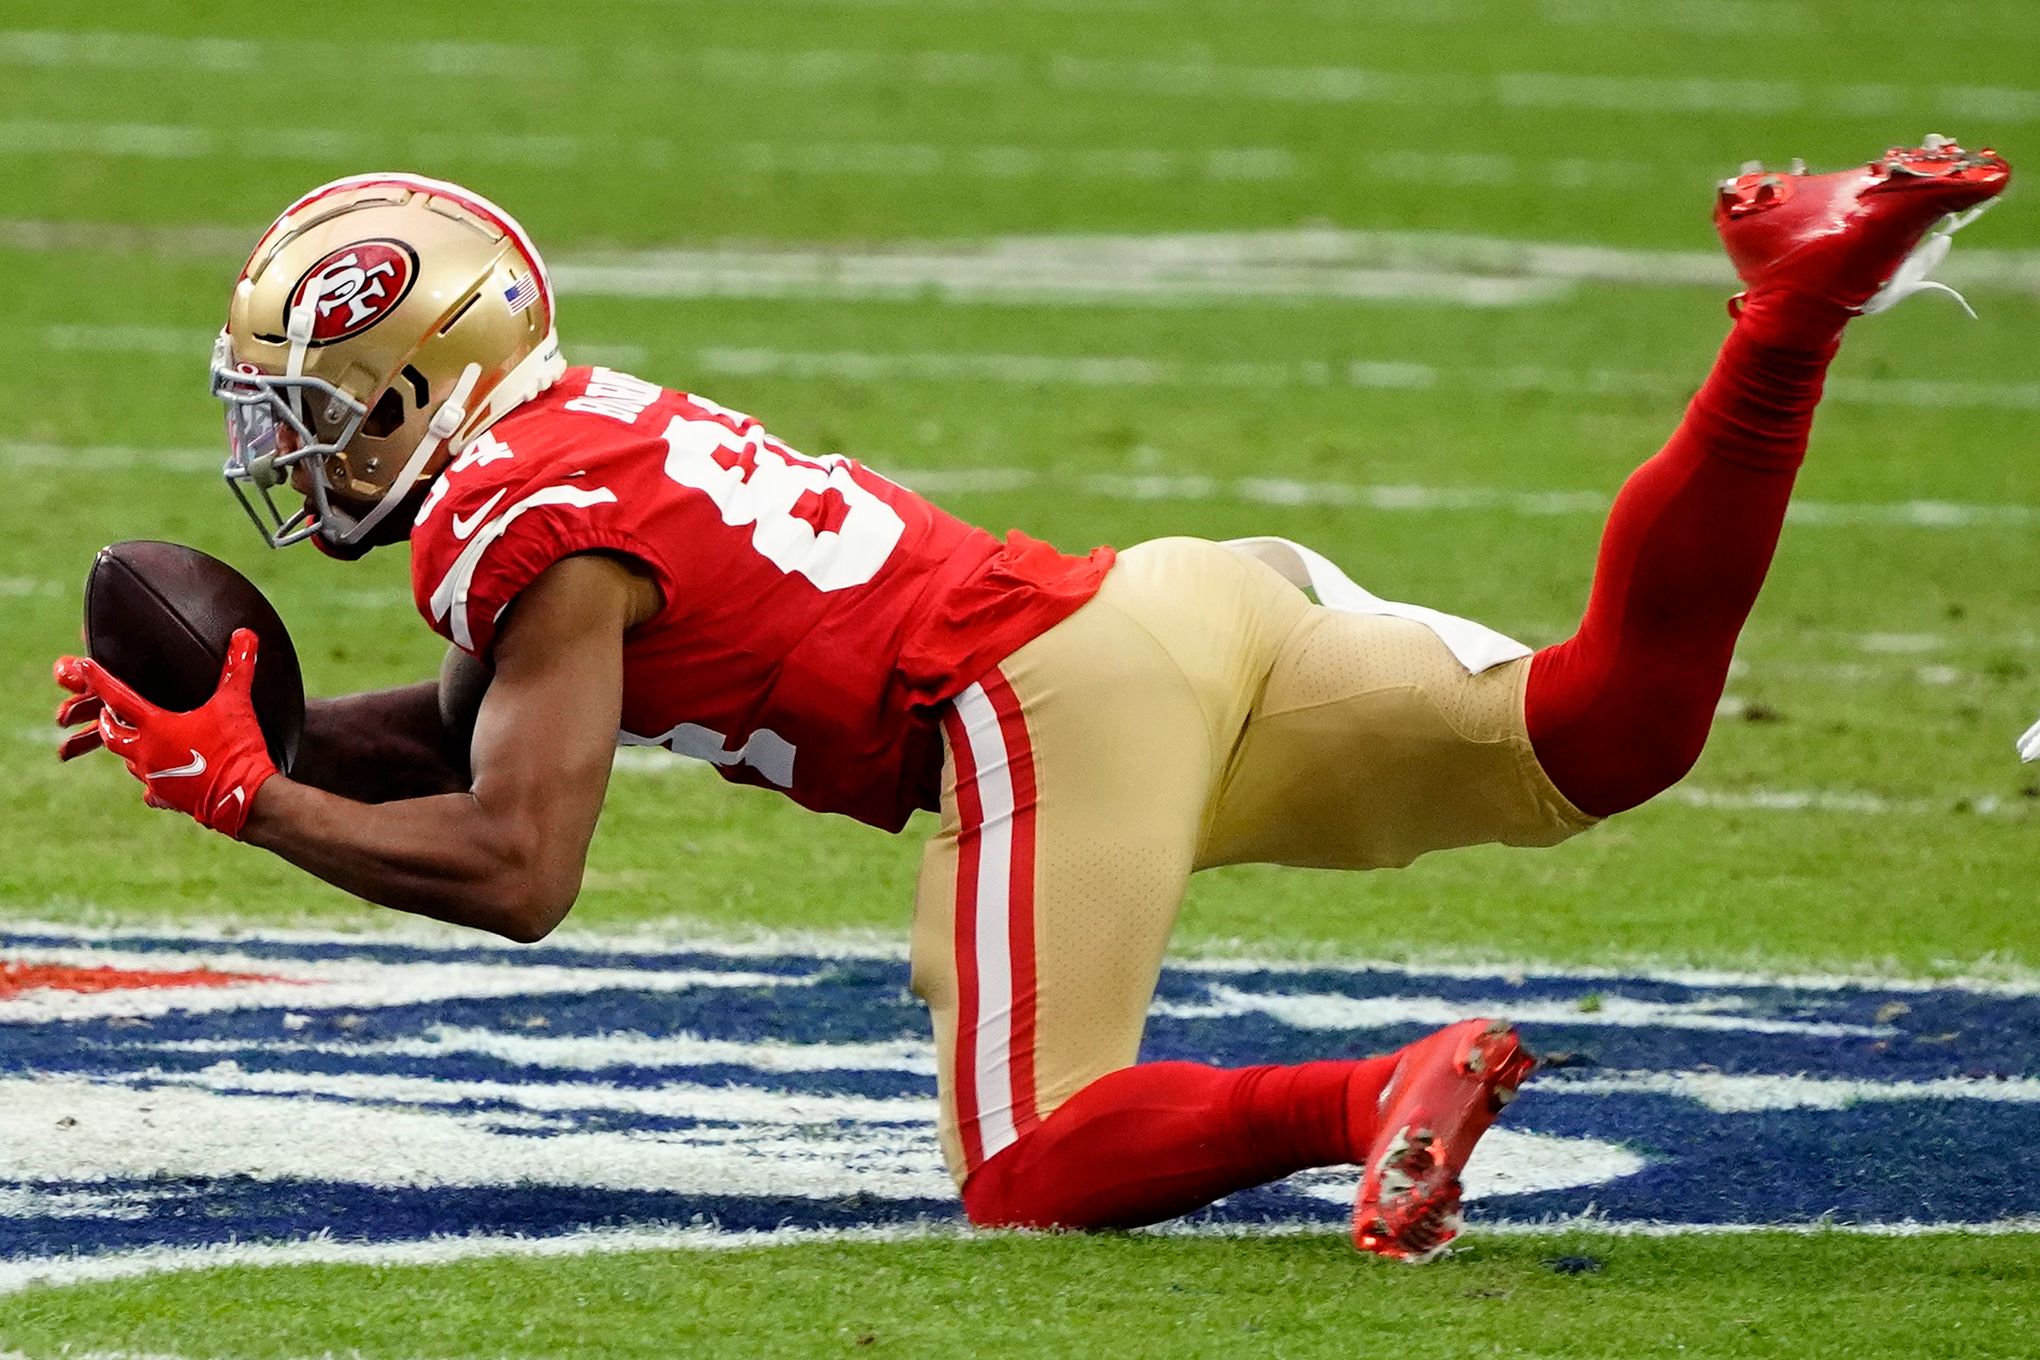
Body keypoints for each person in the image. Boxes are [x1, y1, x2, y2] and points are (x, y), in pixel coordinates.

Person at [52, 140, 2010, 1261]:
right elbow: (488, 733)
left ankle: (1375, 1090)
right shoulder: (568, 452)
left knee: (1031, 1162)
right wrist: (257, 733)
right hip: (1161, 612)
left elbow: (518, 857)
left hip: (1037, 710)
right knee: (1610, 731)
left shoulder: (519, 511)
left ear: (418, 382)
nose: (291, 450)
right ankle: (1789, 319)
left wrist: (256, 808)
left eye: (312, 407)